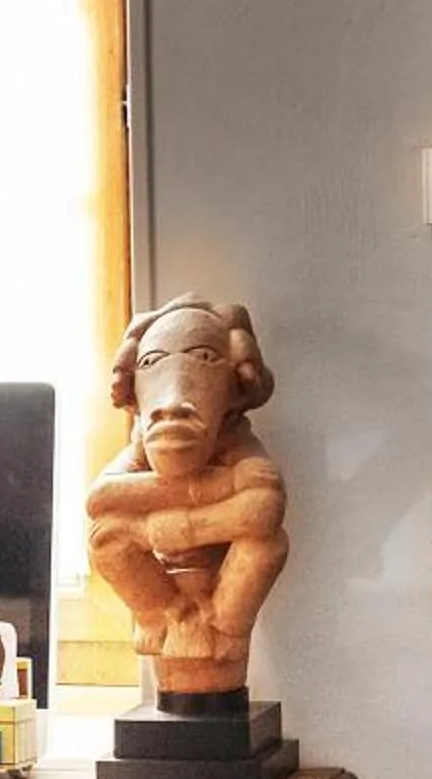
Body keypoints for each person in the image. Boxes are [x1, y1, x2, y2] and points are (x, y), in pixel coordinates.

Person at [84, 293, 289, 701]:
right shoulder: (141, 441)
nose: (171, 404)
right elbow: (101, 498)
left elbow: (265, 506)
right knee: (104, 539)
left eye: (205, 358)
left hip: (223, 590)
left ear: (235, 384)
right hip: (161, 581)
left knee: (267, 544)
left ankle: (227, 628)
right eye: (150, 363)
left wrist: (169, 521)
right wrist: (221, 489)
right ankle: (160, 616)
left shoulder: (234, 438)